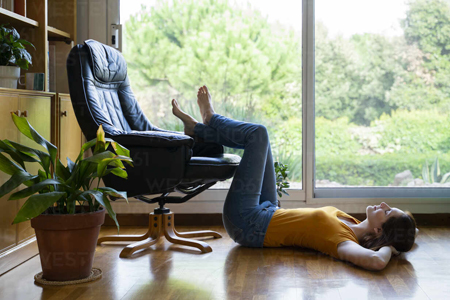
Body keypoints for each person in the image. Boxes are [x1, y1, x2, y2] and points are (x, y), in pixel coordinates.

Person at [171, 85, 418, 271]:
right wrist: (404, 238)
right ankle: (199, 130)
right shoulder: (351, 222)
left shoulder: (344, 242)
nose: (383, 205)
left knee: (258, 134)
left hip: (248, 223)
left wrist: (390, 247)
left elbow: (375, 261)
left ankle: (209, 121)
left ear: (378, 230)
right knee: (264, 144)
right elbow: (411, 232)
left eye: (387, 212)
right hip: (268, 210)